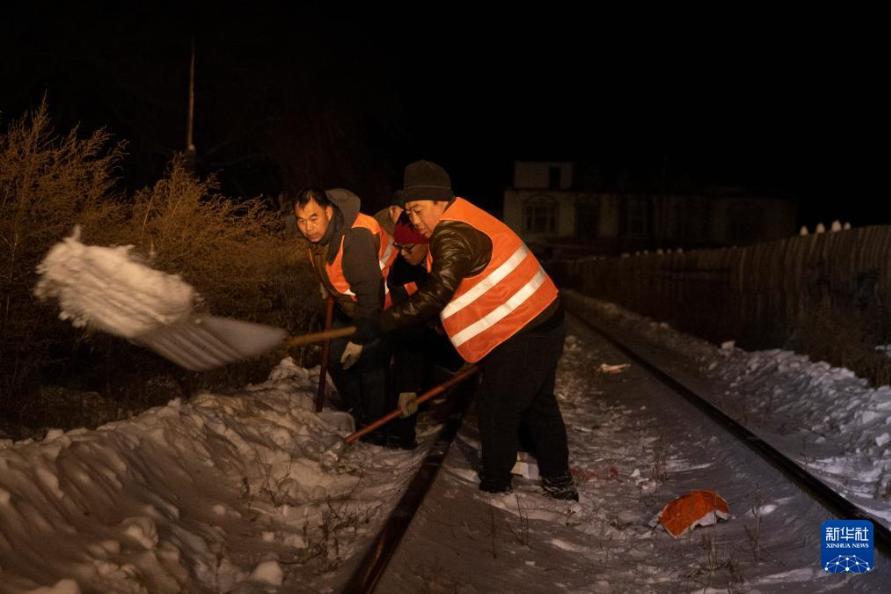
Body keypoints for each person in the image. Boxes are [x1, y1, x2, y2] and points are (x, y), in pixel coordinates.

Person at [351, 161, 578, 500]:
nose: (413, 219)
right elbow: (433, 285)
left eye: (417, 209)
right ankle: (558, 481)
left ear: (439, 202)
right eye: (409, 211)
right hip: (536, 320)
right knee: (537, 403)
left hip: (526, 328)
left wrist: (380, 324)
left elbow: (436, 293)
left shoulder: (451, 233)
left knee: (497, 407)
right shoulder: (459, 222)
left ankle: (496, 486)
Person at [292, 187, 391, 443]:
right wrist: (326, 285)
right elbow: (330, 265)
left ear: (328, 211)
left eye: (313, 218)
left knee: (370, 365)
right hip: (349, 305)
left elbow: (371, 297)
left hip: (379, 308)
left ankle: (375, 428)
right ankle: (356, 413)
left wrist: (360, 340)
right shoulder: (323, 236)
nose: (307, 227)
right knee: (336, 357)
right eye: (301, 221)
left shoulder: (355, 238)